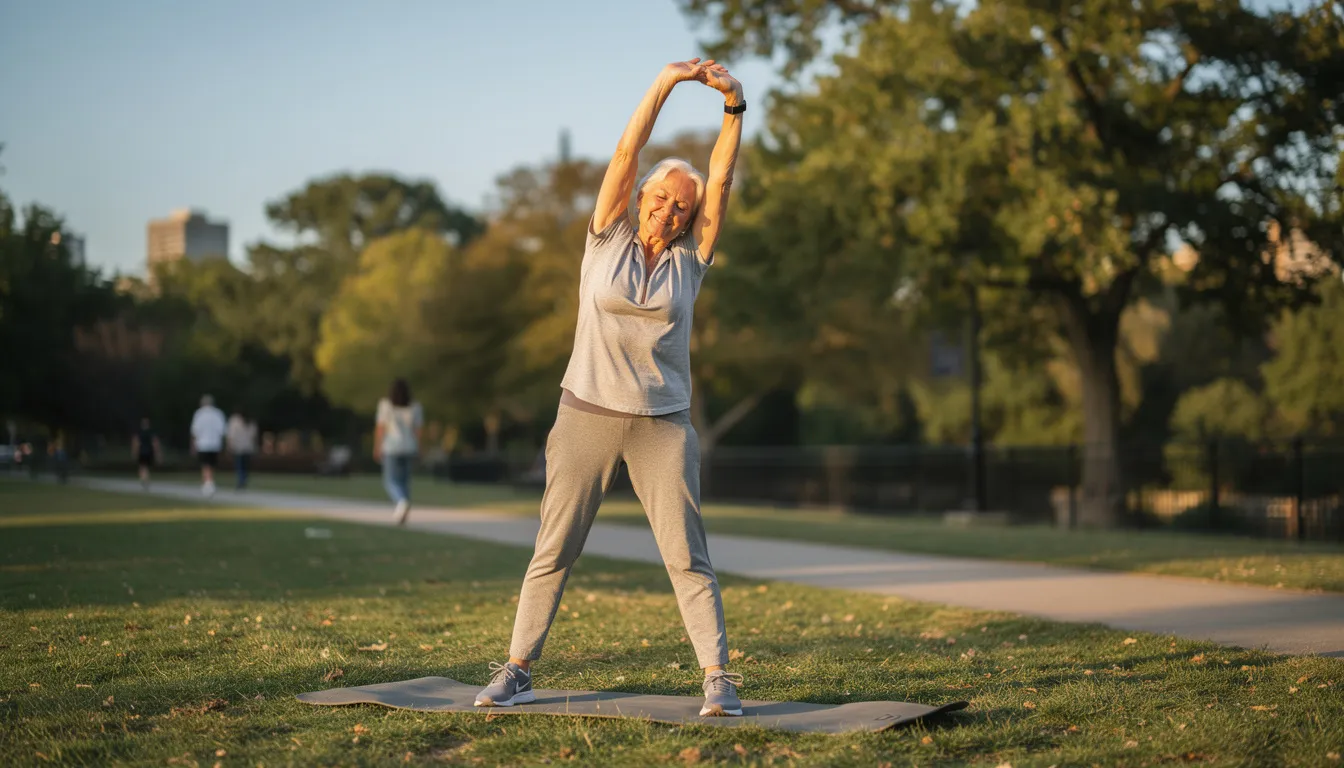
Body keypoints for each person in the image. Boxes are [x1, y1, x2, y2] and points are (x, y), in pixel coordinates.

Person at [474, 58, 746, 717]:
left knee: (688, 556)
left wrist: (734, 106)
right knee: (554, 549)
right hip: (586, 414)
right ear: (640, 198)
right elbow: (628, 150)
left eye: (682, 206)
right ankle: (517, 669)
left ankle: (717, 677)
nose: (670, 210)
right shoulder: (607, 234)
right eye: (660, 198)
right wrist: (666, 82)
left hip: (662, 424)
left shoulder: (692, 258)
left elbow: (720, 175)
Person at [374, 378, 423, 525]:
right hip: (409, 447)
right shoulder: (415, 407)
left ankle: (401, 502)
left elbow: (381, 428)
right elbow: (418, 430)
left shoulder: (385, 405)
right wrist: (419, 447)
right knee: (404, 480)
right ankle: (403, 509)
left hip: (392, 447)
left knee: (390, 481)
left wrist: (377, 446)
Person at [189, 394, 227, 497]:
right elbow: (222, 431)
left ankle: (208, 483)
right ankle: (209, 482)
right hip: (215, 443)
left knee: (205, 465)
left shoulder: (199, 414)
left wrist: (193, 444)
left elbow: (195, 431)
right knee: (211, 464)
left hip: (203, 443)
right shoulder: (218, 414)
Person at [227, 410, 258, 490]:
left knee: (239, 465)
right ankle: (243, 480)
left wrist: (230, 445)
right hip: (248, 447)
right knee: (245, 466)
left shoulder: (235, 421)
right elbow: (254, 436)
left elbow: (231, 435)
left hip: (238, 447)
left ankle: (241, 481)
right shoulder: (251, 422)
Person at [131, 417, 161, 489]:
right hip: (149, 452)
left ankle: (144, 479)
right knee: (146, 467)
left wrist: (134, 452)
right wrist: (157, 453)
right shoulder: (151, 432)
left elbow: (136, 442)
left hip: (142, 452)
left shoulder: (139, 432)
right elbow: (155, 442)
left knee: (142, 467)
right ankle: (146, 479)